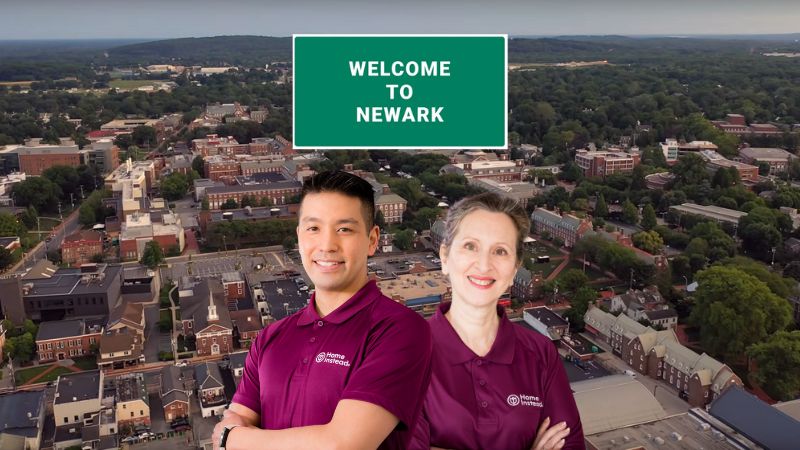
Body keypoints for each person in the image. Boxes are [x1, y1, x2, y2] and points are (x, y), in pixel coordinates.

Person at [213, 171, 433, 450]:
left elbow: (342, 445)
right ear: (299, 237)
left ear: (372, 240)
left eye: (344, 229)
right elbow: (237, 418)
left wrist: (232, 439)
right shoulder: (270, 337)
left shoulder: (400, 330)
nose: (327, 245)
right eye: (313, 228)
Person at [411, 192, 584, 450]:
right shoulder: (406, 353)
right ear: (445, 257)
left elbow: (569, 445)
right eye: (470, 246)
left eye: (500, 251)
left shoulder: (540, 353)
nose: (484, 265)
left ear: (514, 269)